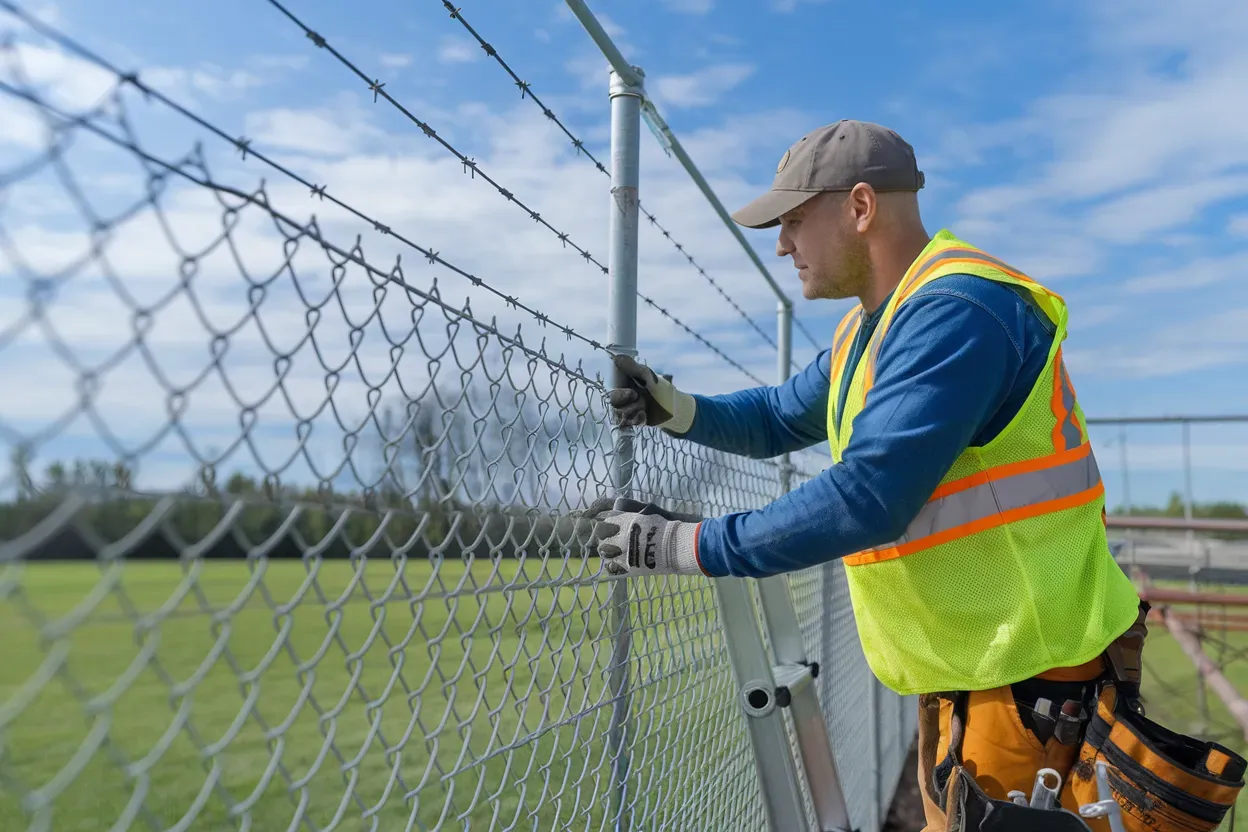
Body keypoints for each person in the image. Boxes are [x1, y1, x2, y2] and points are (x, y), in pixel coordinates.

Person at [583, 119, 1152, 829]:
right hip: (979, 666)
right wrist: (675, 409)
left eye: (793, 221)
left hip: (1030, 669)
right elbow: (775, 418)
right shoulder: (874, 326)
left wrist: (679, 546)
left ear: (859, 207)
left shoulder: (959, 311)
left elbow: (868, 497)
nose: (783, 244)